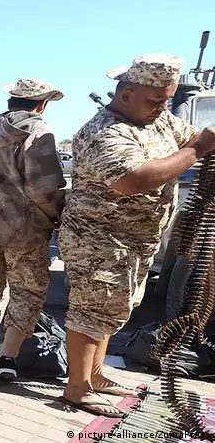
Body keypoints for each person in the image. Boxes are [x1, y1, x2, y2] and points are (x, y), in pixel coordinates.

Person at [59, 54, 215, 418]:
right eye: (156, 100)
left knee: (112, 310)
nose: (163, 107)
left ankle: (95, 376)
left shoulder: (157, 119)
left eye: (167, 99)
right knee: (90, 312)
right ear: (127, 94)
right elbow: (134, 179)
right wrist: (198, 150)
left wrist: (202, 141)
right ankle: (77, 388)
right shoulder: (103, 132)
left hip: (136, 240)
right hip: (99, 241)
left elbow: (190, 136)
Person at [0, 78, 66, 381]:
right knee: (26, 293)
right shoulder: (39, 133)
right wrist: (57, 216)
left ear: (10, 102)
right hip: (26, 233)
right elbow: (45, 188)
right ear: (41, 104)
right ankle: (7, 358)